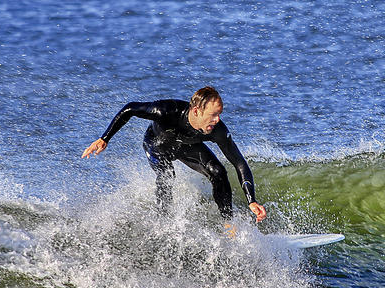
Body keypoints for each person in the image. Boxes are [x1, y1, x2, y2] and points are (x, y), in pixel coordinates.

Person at [81, 86, 267, 225]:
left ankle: (228, 223)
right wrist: (104, 138)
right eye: (213, 115)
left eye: (219, 114)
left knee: (218, 172)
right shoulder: (166, 110)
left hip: (186, 146)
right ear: (196, 111)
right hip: (157, 145)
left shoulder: (217, 130)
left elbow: (239, 162)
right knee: (167, 175)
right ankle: (164, 222)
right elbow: (130, 109)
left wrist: (252, 200)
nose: (217, 120)